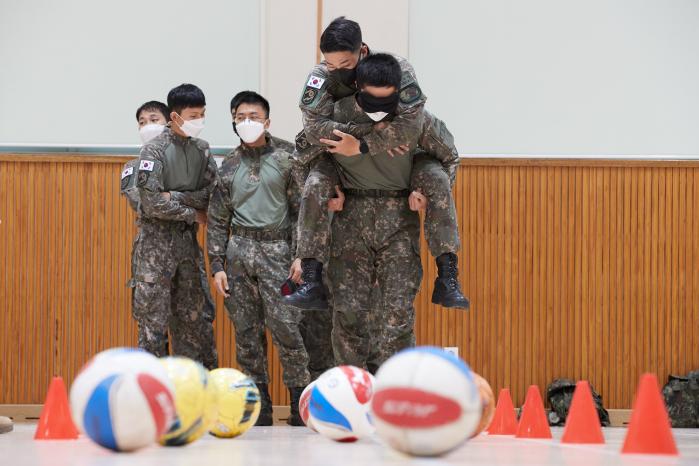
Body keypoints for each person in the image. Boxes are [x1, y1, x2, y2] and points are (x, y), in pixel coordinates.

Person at [285, 17, 468, 311]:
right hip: (340, 163)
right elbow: (313, 131)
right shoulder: (320, 77)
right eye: (331, 65)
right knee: (316, 182)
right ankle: (311, 278)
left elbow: (412, 126)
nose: (338, 72)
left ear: (363, 51)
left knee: (435, 177)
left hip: (401, 170)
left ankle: (448, 275)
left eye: (346, 64)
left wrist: (363, 145)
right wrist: (365, 134)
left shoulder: (396, 70)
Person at [207, 91, 310, 426]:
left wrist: (301, 256)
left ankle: (299, 403)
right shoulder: (229, 164)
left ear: (267, 121)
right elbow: (218, 218)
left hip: (278, 253)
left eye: (253, 116)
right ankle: (258, 405)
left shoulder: (287, 157)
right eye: (240, 117)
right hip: (239, 255)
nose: (246, 122)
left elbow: (302, 211)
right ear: (233, 122)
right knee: (247, 334)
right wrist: (218, 266)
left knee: (287, 330)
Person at [132, 83, 218, 369]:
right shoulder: (153, 152)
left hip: (188, 250)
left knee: (196, 324)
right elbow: (152, 203)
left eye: (202, 114)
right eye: (193, 115)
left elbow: (210, 195)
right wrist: (192, 214)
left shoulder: (203, 151)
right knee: (152, 328)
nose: (199, 121)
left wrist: (176, 196)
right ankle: (151, 403)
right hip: (154, 251)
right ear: (175, 117)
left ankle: (197, 398)